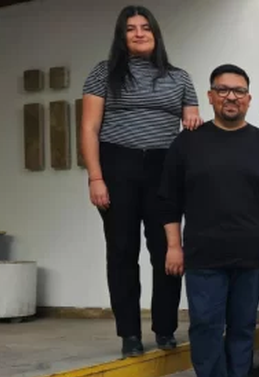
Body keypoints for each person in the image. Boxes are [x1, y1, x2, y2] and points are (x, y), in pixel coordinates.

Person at [160, 63, 259, 377]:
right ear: (210, 96)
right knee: (205, 324)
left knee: (242, 326)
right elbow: (168, 200)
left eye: (238, 91)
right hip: (202, 255)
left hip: (251, 257)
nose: (230, 97)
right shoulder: (188, 143)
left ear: (248, 99)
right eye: (223, 90)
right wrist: (173, 246)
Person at [81, 5, 202, 358]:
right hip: (117, 164)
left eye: (145, 27)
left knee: (167, 251)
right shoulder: (104, 73)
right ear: (121, 36)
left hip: (164, 168)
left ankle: (165, 329)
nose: (138, 33)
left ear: (155, 33)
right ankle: (129, 334)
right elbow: (88, 128)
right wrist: (95, 177)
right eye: (131, 28)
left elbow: (191, 122)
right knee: (122, 252)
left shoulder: (180, 78)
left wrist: (192, 117)